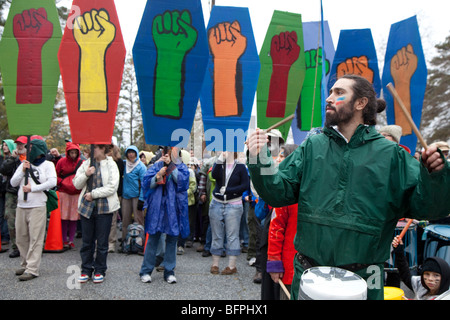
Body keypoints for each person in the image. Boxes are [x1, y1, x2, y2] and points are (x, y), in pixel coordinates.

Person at [246, 74, 450, 300]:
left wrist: (435, 176)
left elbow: (429, 208)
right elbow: (277, 192)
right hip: (308, 272)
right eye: (331, 92)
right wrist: (258, 159)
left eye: (339, 93)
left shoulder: (393, 156)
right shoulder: (313, 146)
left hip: (366, 276)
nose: (329, 98)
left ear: (361, 103)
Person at [139, 147, 189, 284]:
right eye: (167, 153)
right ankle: (146, 271)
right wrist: (157, 176)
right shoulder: (156, 166)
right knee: (153, 238)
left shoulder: (181, 167)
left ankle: (169, 271)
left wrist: (171, 167)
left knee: (172, 239)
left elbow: (183, 183)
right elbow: (146, 184)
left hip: (173, 208)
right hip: (157, 207)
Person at [10, 139, 57, 281]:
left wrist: (33, 188)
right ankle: (25, 264)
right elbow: (13, 182)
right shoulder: (24, 164)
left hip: (37, 206)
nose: (27, 150)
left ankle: (32, 269)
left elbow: (52, 182)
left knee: (35, 238)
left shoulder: (47, 165)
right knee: (21, 237)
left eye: (30, 147)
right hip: (21, 205)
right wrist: (22, 170)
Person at [73, 144, 120, 284]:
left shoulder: (111, 164)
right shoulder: (85, 164)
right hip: (87, 208)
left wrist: (93, 194)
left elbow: (112, 187)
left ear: (104, 149)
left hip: (104, 208)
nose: (93, 151)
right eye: (92, 148)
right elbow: (76, 184)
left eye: (97, 148)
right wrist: (86, 174)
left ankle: (100, 269)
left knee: (102, 242)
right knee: (87, 241)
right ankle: (86, 269)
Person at [265, 144, 299, 300]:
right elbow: (276, 226)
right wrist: (274, 261)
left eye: (282, 155)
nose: (278, 159)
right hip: (290, 267)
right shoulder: (287, 189)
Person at [209, 151, 249, 275]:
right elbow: (214, 175)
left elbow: (245, 185)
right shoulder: (220, 164)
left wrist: (228, 190)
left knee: (232, 235)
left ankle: (232, 266)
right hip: (217, 202)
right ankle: (215, 264)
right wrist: (221, 158)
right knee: (216, 234)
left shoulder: (241, 167)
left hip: (234, 203)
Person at [55, 142, 83, 249]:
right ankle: (64, 239)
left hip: (76, 193)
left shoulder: (82, 163)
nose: (73, 155)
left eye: (75, 152)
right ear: (67, 152)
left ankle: (71, 239)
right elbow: (55, 175)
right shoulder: (61, 162)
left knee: (74, 218)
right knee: (64, 217)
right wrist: (62, 182)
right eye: (71, 152)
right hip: (64, 192)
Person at [121, 145, 146, 245]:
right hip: (126, 196)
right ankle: (125, 241)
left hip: (137, 196)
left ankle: (140, 243)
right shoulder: (124, 164)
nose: (131, 154)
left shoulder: (141, 167)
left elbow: (145, 183)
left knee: (138, 220)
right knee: (125, 220)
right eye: (129, 152)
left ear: (136, 154)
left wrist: (142, 199)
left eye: (133, 152)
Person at [177, 150, 197, 254]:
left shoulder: (190, 171)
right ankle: (177, 243)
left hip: (188, 201)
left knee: (187, 222)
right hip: (176, 201)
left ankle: (184, 242)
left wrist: (184, 193)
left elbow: (193, 186)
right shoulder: (174, 169)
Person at [108, 144, 123, 253]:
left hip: (116, 193)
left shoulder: (119, 162)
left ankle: (111, 242)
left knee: (113, 219)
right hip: (104, 193)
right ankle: (103, 242)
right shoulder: (102, 162)